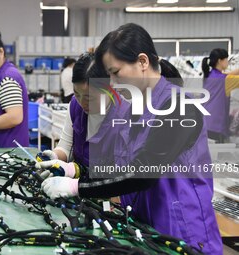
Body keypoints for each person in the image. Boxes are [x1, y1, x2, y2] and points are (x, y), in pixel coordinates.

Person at [39, 23, 222, 254]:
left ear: (143, 62)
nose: (112, 84)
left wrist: (76, 186)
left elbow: (142, 174)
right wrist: (71, 171)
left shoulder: (180, 107)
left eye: (115, 73)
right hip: (142, 229)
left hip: (182, 234)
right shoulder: (130, 109)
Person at [202, 48, 239, 143]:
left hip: (207, 123)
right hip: (217, 127)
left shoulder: (211, 75)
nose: (228, 62)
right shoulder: (226, 80)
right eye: (226, 59)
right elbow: (229, 77)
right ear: (220, 61)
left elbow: (228, 75)